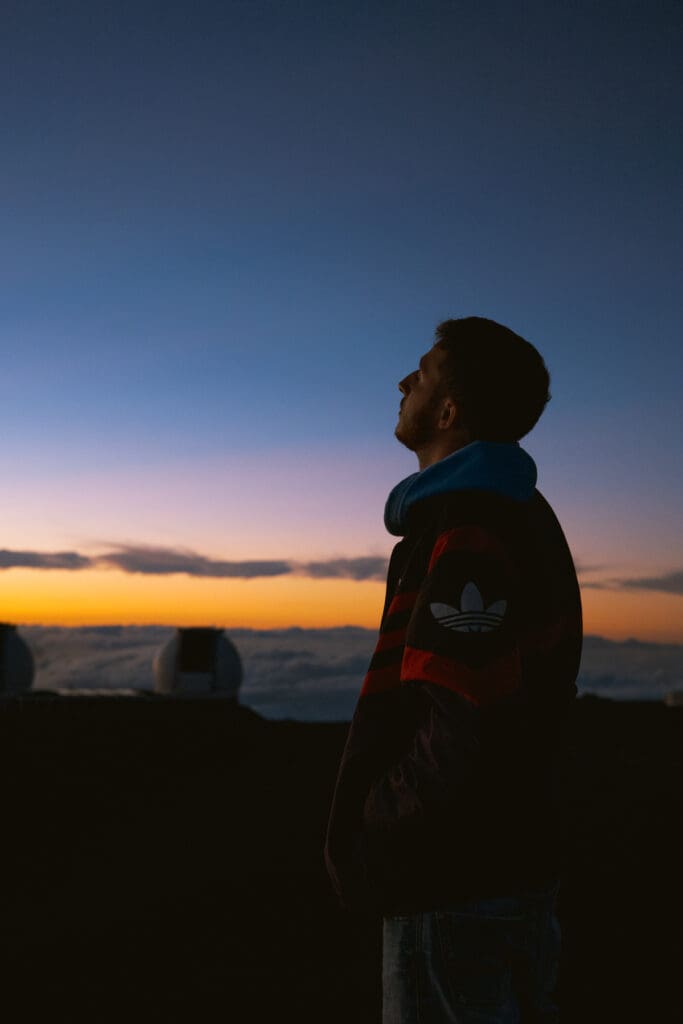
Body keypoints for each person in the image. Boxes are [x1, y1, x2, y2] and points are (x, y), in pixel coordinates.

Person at [324, 317, 582, 1023]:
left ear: (447, 411)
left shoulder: (472, 523)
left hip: (453, 881)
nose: (403, 383)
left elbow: (466, 717)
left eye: (423, 372)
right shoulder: (497, 512)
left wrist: (385, 827)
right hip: (500, 867)